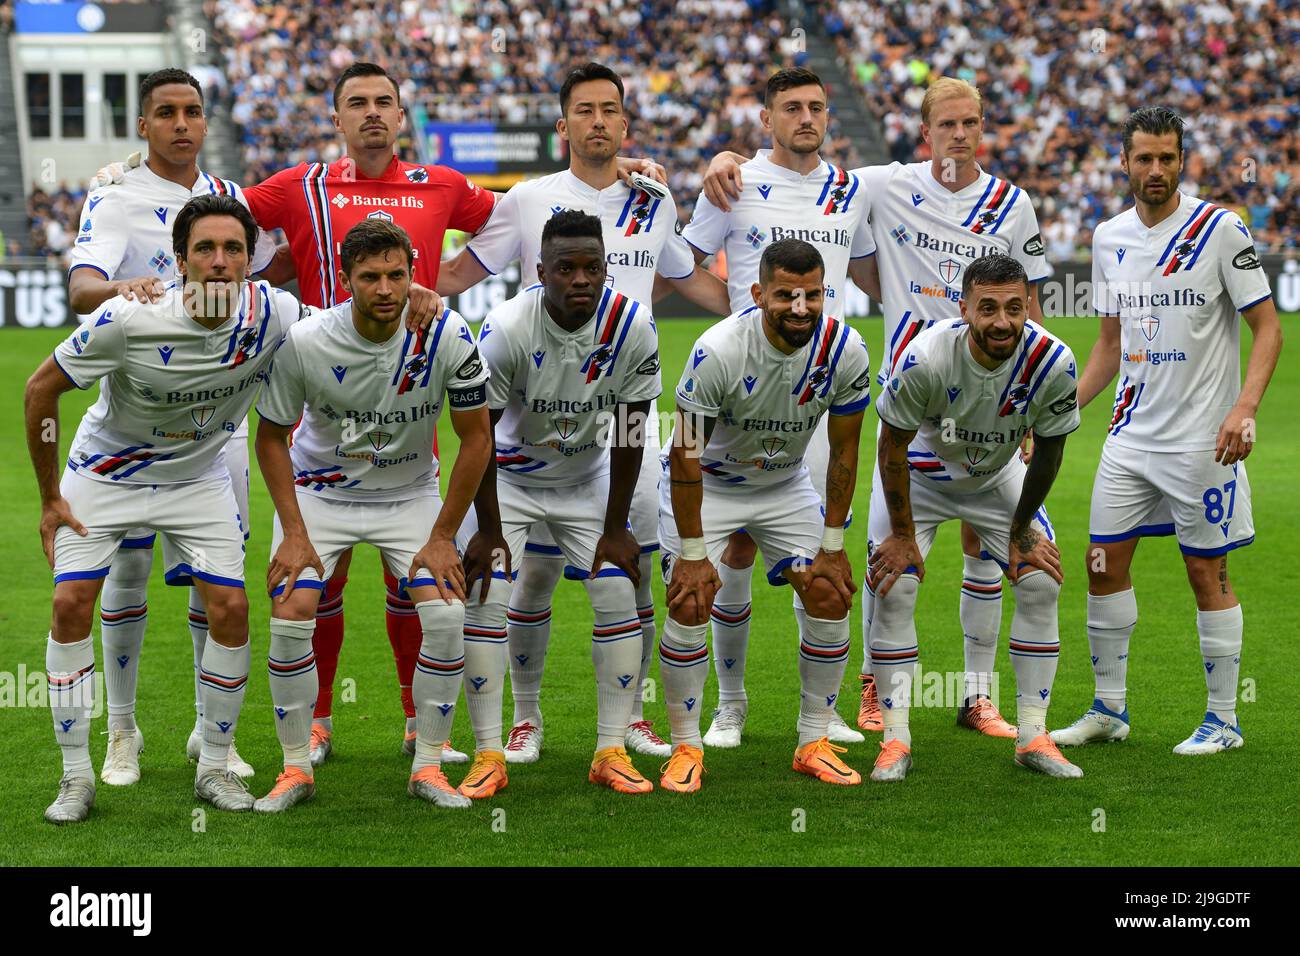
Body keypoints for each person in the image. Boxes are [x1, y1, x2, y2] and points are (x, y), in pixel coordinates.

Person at [702, 75, 1047, 741]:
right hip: (908, 406)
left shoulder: (1013, 203)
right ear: (925, 132)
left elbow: (1031, 305)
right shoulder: (883, 184)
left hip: (993, 406)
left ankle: (977, 697)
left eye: (969, 123)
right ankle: (864, 690)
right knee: (885, 557)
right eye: (945, 124)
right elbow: (797, 164)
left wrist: (1030, 401)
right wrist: (731, 159)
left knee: (985, 548)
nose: (958, 134)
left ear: (983, 127)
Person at [438, 62, 729, 763]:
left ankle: (632, 717)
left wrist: (765, 316)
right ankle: (525, 719)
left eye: (611, 110)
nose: (599, 121)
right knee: (530, 578)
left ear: (625, 123)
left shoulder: (652, 198)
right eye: (585, 111)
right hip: (536, 420)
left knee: (634, 571)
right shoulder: (530, 199)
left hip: (622, 418)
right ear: (563, 125)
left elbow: (696, 281)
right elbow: (455, 275)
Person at [26, 195, 296, 822]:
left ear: (250, 260)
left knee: (230, 606)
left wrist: (418, 293)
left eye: (234, 249)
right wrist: (49, 498)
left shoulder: (274, 315)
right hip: (106, 473)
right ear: (180, 261)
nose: (221, 262)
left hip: (196, 477)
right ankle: (75, 779)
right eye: (205, 249)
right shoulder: (128, 317)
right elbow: (41, 388)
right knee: (70, 602)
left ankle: (214, 764)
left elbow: (350, 321)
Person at [66, 68, 277, 786]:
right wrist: (120, 287)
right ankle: (121, 731)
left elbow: (254, 282)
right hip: (136, 419)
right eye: (166, 113)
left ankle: (205, 733)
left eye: (192, 111)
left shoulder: (226, 199)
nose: (182, 124)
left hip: (219, 425)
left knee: (213, 581)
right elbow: (79, 289)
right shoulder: (115, 195)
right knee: (124, 569)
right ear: (144, 125)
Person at [1052, 106, 1282, 755]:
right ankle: (1109, 708)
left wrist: (1245, 409)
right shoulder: (1108, 236)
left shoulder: (1219, 229)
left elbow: (1268, 327)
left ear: (1183, 161)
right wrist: (1057, 415)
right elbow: (1107, 345)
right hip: (1130, 439)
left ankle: (1223, 720)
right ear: (1124, 163)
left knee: (1206, 574)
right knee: (1101, 567)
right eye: (1144, 158)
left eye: (1167, 158)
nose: (1155, 170)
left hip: (1204, 441)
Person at [252, 219, 492, 812]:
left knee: (444, 614)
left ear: (414, 273)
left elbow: (477, 439)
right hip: (320, 493)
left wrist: (442, 536)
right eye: (370, 277)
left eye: (396, 275)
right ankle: (294, 768)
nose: (385, 288)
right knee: (292, 609)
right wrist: (296, 534)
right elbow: (271, 439)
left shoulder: (446, 333)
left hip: (408, 495)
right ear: (345, 278)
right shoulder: (307, 340)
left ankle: (429, 766)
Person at [679, 67, 879, 748]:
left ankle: (822, 716)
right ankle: (729, 708)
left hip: (819, 395)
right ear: (765, 118)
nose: (806, 118)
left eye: (816, 107)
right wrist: (738, 314)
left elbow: (873, 273)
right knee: (731, 549)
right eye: (791, 108)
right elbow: (682, 263)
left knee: (821, 551)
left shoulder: (852, 189)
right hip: (740, 386)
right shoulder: (733, 181)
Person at [456, 210, 662, 796]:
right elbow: (479, 438)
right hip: (512, 479)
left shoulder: (634, 327)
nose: (580, 279)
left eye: (591, 268)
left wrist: (616, 526)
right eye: (565, 268)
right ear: (540, 271)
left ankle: (610, 749)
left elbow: (630, 430)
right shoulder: (505, 328)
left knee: (619, 586)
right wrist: (489, 529)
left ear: (606, 270)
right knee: (488, 590)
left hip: (587, 477)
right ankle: (494, 748)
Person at [657, 238, 871, 792]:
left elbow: (845, 451)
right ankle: (686, 745)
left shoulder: (845, 350)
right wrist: (695, 553)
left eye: (812, 295)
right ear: (757, 294)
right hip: (710, 481)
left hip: (783, 485)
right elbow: (684, 452)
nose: (800, 308)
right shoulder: (720, 348)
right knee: (690, 597)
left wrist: (831, 541)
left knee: (828, 590)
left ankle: (813, 740)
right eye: (785, 296)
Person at [867, 253, 1082, 781]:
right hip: (920, 476)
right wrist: (900, 533)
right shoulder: (925, 358)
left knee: (1040, 583)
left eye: (1015, 307)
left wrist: (1020, 529)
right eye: (988, 308)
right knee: (894, 587)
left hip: (996, 479)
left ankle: (1033, 735)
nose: (1003, 321)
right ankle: (895, 742)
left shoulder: (1053, 361)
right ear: (964, 308)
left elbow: (1050, 452)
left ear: (1029, 306)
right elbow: (891, 446)